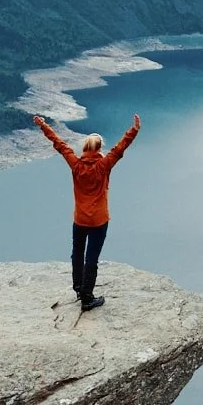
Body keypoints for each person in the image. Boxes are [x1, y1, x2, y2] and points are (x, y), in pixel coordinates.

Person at [33, 112, 141, 310]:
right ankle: (87, 298)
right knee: (91, 258)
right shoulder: (103, 166)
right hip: (99, 221)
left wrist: (43, 125)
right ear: (99, 148)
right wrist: (133, 130)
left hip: (80, 219)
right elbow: (119, 149)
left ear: (84, 147)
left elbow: (59, 144)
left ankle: (78, 286)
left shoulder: (76, 164)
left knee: (77, 252)